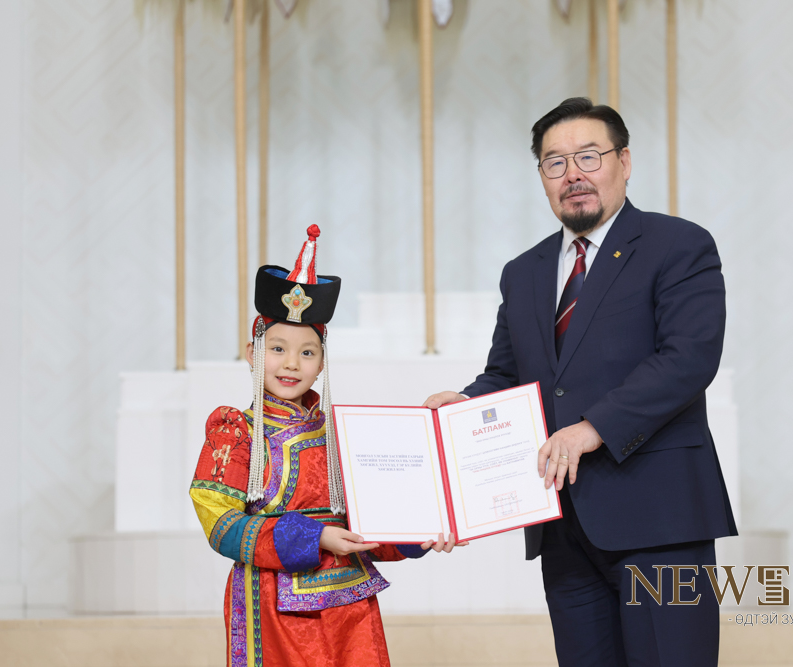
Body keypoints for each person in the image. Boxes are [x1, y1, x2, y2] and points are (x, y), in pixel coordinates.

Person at [424, 98, 737, 666]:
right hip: (564, 527)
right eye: (555, 162)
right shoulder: (524, 272)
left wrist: (593, 428)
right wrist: (464, 406)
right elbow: (508, 374)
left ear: (624, 161)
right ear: (542, 177)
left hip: (659, 519)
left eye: (589, 156)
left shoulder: (678, 245)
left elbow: (688, 359)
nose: (573, 174)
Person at [191, 225, 464, 667]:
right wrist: (315, 537)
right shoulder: (235, 431)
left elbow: (368, 526)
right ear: (252, 353)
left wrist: (420, 532)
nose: (291, 364)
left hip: (351, 606)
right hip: (274, 608)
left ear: (321, 363)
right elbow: (221, 525)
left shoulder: (342, 435)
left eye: (307, 352)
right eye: (277, 348)